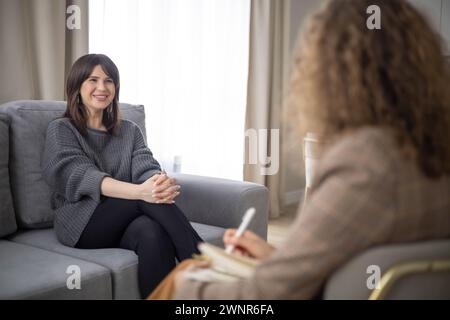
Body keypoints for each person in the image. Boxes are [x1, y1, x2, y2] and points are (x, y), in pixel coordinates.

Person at [149, 0, 450, 299]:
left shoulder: (364, 163)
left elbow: (266, 296)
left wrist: (188, 288)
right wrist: (277, 258)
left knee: (184, 275)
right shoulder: (430, 151)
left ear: (330, 73)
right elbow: (354, 252)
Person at [41, 53, 203, 298]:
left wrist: (159, 180)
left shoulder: (130, 130)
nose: (102, 88)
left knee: (152, 233)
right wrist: (141, 191)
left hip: (125, 219)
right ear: (77, 86)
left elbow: (145, 167)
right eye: (93, 80)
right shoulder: (61, 129)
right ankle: (202, 264)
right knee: (142, 197)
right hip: (81, 223)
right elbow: (80, 175)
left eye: (109, 81)